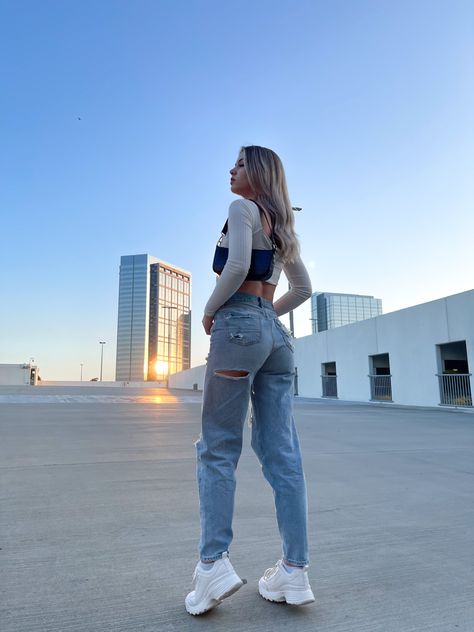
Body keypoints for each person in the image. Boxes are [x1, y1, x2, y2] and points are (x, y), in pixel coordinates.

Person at [185, 145, 314, 615]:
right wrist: (267, 318)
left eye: (239, 163)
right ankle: (294, 571)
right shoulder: (281, 226)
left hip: (238, 326)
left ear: (256, 173)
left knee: (218, 447)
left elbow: (237, 266)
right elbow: (302, 289)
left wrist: (211, 310)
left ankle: (212, 565)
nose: (231, 169)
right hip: (275, 339)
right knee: (282, 453)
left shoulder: (242, 208)